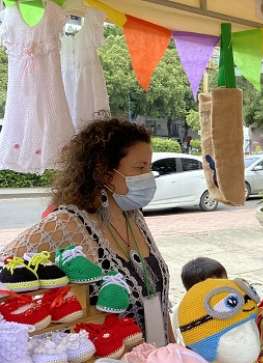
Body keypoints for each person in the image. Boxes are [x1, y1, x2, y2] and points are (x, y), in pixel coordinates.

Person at [1, 118, 173, 345]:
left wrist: (174, 348)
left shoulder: (133, 216)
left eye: (149, 167)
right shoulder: (66, 224)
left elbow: (158, 298)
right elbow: (7, 263)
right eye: (140, 168)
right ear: (104, 172)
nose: (148, 176)